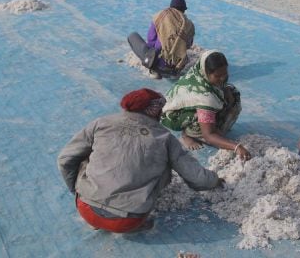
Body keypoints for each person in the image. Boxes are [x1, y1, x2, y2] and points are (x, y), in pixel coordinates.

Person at [57, 88, 222, 233]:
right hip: (127, 221)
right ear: (155, 112)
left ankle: (96, 217)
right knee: (165, 166)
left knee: (86, 156)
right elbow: (198, 177)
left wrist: (77, 191)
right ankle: (133, 225)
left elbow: (65, 159)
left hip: (85, 209)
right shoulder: (165, 137)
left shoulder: (101, 123)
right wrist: (214, 180)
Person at [160, 50, 251, 161]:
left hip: (198, 104)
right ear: (206, 73)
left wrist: (225, 90)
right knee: (208, 125)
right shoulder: (204, 97)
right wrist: (236, 147)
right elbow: (209, 135)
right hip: (176, 115)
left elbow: (223, 85)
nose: (222, 78)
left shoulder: (200, 72)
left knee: (232, 93)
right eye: (218, 76)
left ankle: (211, 125)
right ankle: (189, 134)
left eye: (225, 74)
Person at [127, 0, 195, 79]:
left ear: (171, 7)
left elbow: (151, 40)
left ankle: (154, 70)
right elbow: (188, 45)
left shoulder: (161, 16)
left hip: (156, 63)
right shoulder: (189, 25)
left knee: (132, 36)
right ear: (184, 10)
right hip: (175, 68)